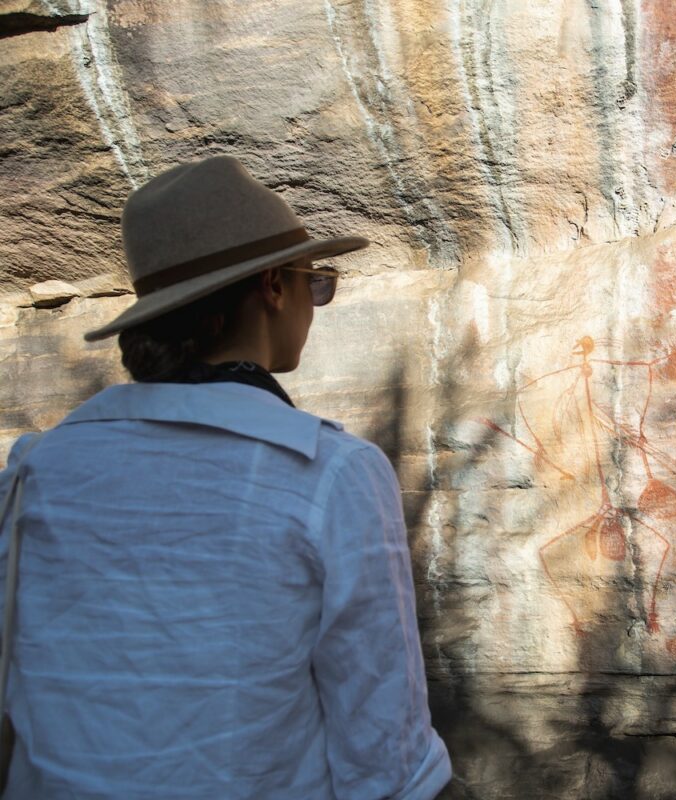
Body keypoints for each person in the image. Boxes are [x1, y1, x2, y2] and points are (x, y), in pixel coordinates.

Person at [0, 156, 452, 799]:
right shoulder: (330, 474)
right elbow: (387, 763)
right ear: (272, 286)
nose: (315, 303)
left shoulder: (33, 474)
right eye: (314, 283)